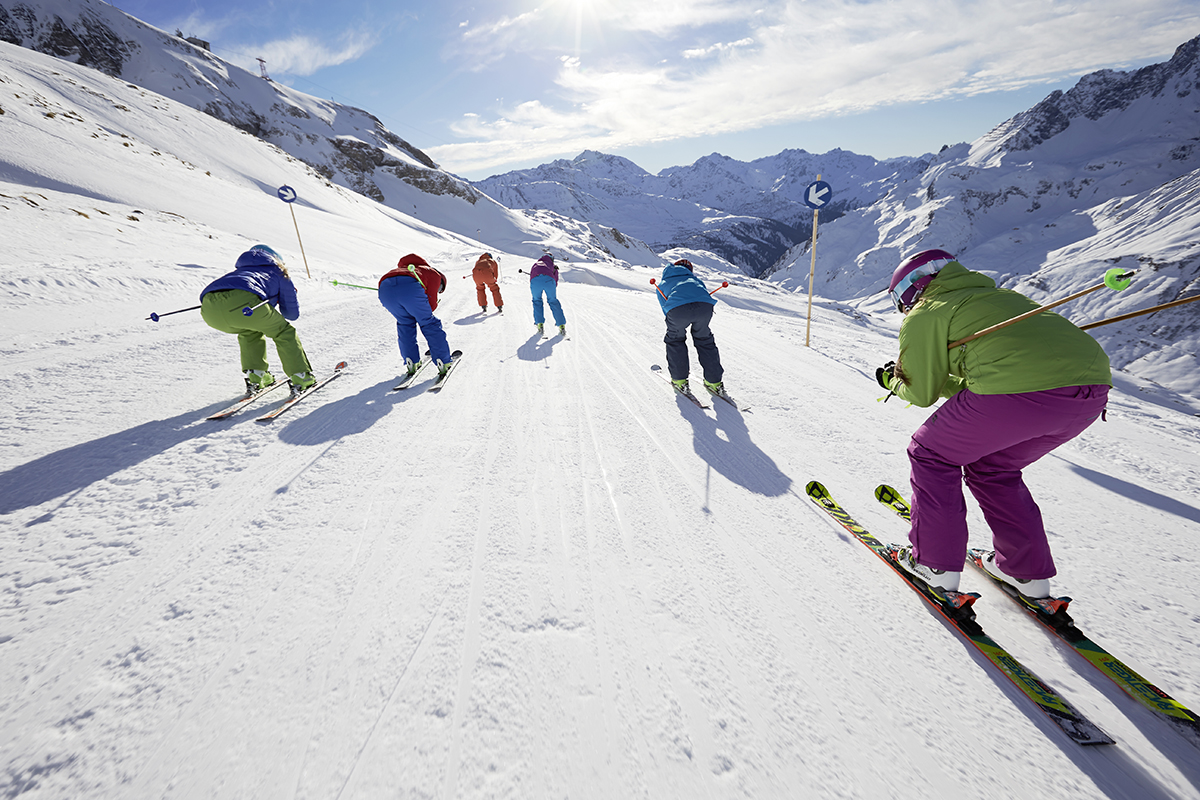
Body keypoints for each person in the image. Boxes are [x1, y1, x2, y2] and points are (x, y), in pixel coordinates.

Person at [875, 249, 1111, 602]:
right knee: (992, 467)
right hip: (1089, 394)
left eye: (900, 299)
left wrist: (889, 380)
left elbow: (920, 392)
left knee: (930, 454)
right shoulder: (1001, 297)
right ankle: (1026, 575)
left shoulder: (927, 313)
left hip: (1018, 393)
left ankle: (936, 566)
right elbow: (983, 382)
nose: (904, 307)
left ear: (912, 288)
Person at [200, 244, 315, 395]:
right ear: (276, 260)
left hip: (209, 308)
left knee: (249, 330)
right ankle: (301, 377)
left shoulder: (240, 272)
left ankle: (257, 376)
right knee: (283, 332)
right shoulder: (278, 272)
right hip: (246, 302)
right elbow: (291, 315)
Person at [655, 258, 725, 396]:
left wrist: (675, 323)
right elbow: (702, 294)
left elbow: (665, 307)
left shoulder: (663, 283)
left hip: (677, 310)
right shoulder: (696, 280)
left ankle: (680, 381)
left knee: (675, 340)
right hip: (704, 308)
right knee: (704, 340)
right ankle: (714, 382)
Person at [378, 253, 453, 376]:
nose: (438, 291)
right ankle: (443, 361)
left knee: (405, 323)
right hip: (411, 288)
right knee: (429, 323)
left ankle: (411, 361)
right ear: (441, 282)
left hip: (385, 290)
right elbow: (431, 306)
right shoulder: (433, 273)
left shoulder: (403, 269)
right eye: (440, 289)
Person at [528, 253, 566, 335]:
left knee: (537, 301)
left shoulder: (536, 264)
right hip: (549, 280)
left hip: (535, 281)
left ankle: (539, 324)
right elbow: (555, 281)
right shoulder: (553, 266)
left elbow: (531, 277)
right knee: (553, 301)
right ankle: (561, 325)